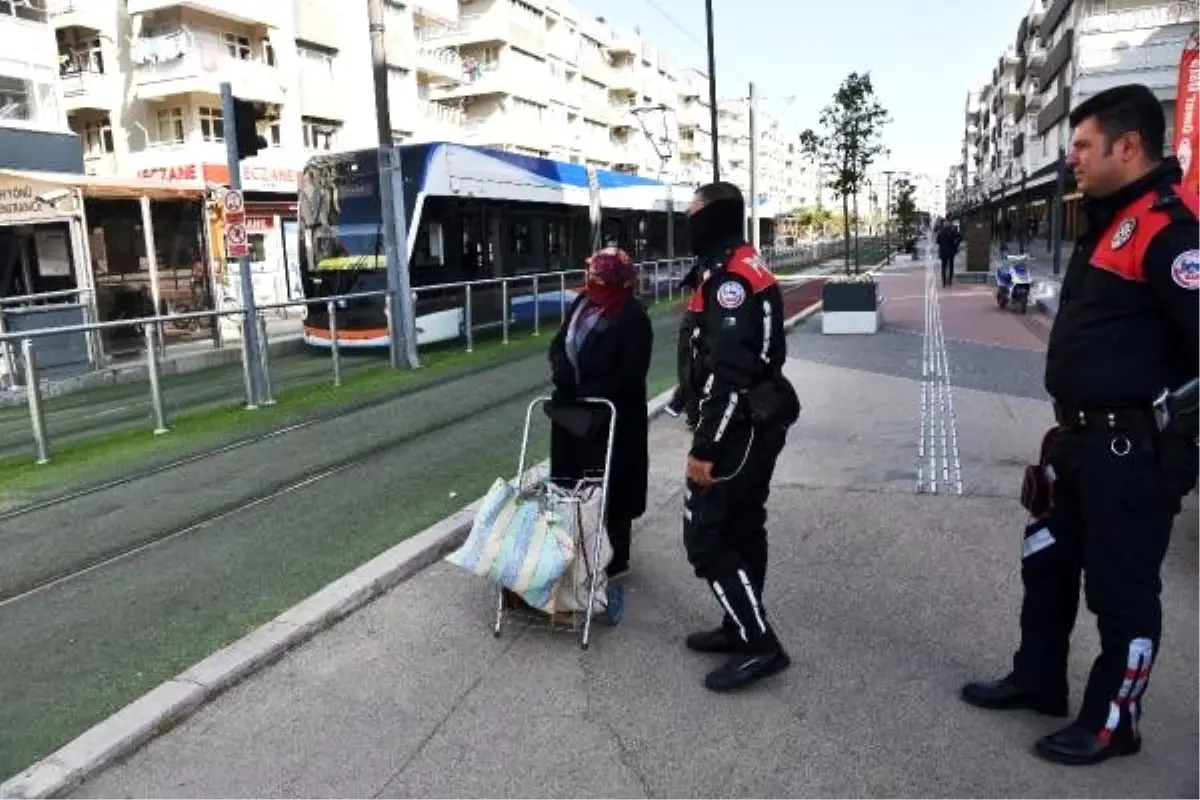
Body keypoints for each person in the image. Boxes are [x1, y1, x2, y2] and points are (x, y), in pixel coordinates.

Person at [960, 84, 1200, 766]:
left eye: (1084, 146)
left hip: (1131, 451)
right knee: (1048, 566)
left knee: (1121, 591)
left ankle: (1114, 721)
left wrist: (1176, 450)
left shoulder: (1171, 228)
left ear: (1128, 147)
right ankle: (1038, 679)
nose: (1074, 161)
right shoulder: (1112, 217)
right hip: (1078, 440)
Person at [679, 181, 801, 693]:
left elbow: (732, 372)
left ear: (714, 216)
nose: (688, 224)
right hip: (756, 420)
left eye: (693, 214)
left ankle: (758, 644)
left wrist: (705, 447)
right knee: (746, 525)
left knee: (706, 536)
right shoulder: (736, 265)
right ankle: (739, 624)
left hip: (738, 428)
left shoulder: (731, 278)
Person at [547, 247, 654, 580]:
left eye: (603, 280)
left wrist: (585, 391)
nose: (595, 285)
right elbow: (559, 344)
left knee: (613, 487)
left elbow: (629, 374)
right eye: (593, 278)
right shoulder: (581, 303)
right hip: (574, 417)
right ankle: (575, 549)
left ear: (622, 284)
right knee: (572, 483)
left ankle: (614, 560)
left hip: (613, 419)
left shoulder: (633, 317)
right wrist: (562, 372)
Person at [664, 261, 706, 429]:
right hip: (699, 315)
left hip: (702, 315)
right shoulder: (707, 262)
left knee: (693, 365)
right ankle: (687, 407)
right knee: (692, 365)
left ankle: (686, 405)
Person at [935, 221, 962, 287]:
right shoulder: (953, 231)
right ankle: (950, 280)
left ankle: (944, 282)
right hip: (951, 251)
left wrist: (942, 244)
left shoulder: (941, 232)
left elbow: (937, 241)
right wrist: (956, 243)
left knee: (943, 266)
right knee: (951, 265)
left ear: (944, 225)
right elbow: (960, 237)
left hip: (943, 251)